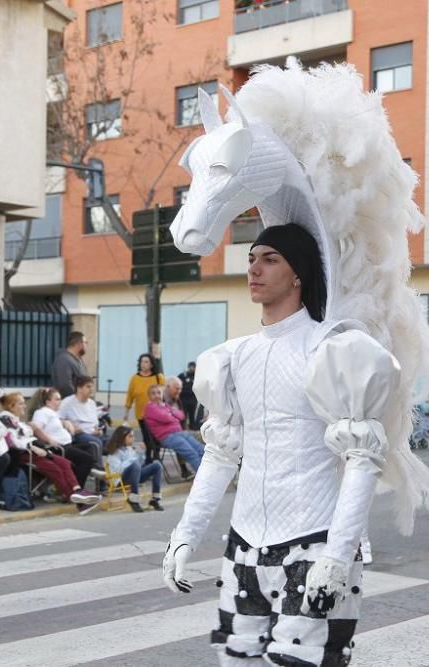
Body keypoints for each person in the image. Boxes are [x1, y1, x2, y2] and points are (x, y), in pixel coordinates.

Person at [163, 224, 405, 665]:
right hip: (244, 547)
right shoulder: (233, 358)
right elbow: (220, 454)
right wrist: (184, 536)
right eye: (252, 258)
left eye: (270, 259)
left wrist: (337, 554)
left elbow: (362, 457)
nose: (254, 268)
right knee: (236, 660)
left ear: (299, 275)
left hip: (314, 544)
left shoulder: (331, 348)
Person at [0, 392, 101, 513]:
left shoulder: (16, 420)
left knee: (64, 463)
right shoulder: (5, 419)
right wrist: (31, 446)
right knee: (54, 469)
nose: (24, 406)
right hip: (23, 453)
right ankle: (76, 500)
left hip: (35, 449)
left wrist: (30, 433)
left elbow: (25, 434)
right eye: (21, 403)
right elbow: (12, 441)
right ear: (11, 406)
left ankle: (78, 491)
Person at [31, 387, 104, 488]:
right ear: (48, 402)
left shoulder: (53, 413)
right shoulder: (41, 413)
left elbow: (54, 423)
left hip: (68, 444)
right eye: (57, 399)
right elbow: (36, 429)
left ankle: (95, 468)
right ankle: (77, 488)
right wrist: (49, 440)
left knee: (91, 445)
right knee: (86, 459)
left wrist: (66, 422)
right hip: (58, 448)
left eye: (60, 398)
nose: (60, 401)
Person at [144, 385, 204, 471]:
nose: (157, 395)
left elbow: (181, 415)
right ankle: (202, 478)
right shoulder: (150, 407)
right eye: (153, 393)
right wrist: (172, 415)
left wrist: (170, 413)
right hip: (167, 436)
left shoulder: (165, 406)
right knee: (192, 454)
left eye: (159, 393)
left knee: (201, 450)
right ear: (149, 396)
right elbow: (165, 417)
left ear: (162, 394)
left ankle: (208, 474)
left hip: (179, 433)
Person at [105, 425, 163, 513]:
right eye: (130, 436)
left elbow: (139, 465)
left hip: (134, 476)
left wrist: (141, 453)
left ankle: (155, 499)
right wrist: (133, 460)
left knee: (157, 465)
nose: (133, 438)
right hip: (120, 479)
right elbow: (119, 469)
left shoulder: (129, 449)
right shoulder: (114, 452)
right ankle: (134, 498)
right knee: (134, 466)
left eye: (133, 436)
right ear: (122, 438)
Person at [122, 354, 166, 455]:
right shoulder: (135, 378)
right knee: (147, 437)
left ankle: (155, 456)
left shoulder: (158, 377)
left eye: (146, 362)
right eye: (142, 361)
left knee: (156, 436)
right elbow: (130, 396)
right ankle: (148, 457)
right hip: (142, 414)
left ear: (151, 364)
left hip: (157, 414)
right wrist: (126, 412)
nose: (143, 364)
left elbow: (164, 395)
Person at [59, 375, 106, 449]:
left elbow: (95, 423)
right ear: (79, 388)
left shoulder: (92, 403)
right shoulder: (67, 402)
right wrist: (68, 425)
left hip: (93, 433)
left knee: (117, 441)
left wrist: (98, 430)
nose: (91, 389)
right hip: (79, 434)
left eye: (92, 387)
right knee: (96, 443)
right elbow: (58, 418)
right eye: (88, 387)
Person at [50, 331, 88, 398]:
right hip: (69, 403)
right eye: (85, 342)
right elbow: (65, 386)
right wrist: (78, 398)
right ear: (78, 344)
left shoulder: (79, 359)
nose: (86, 345)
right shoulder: (63, 360)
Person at [178, 361, 202, 430]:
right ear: (188, 367)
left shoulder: (198, 376)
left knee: (193, 417)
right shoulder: (182, 376)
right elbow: (177, 384)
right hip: (183, 400)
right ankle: (182, 429)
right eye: (190, 367)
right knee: (183, 416)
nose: (192, 369)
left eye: (194, 367)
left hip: (193, 400)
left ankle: (193, 430)